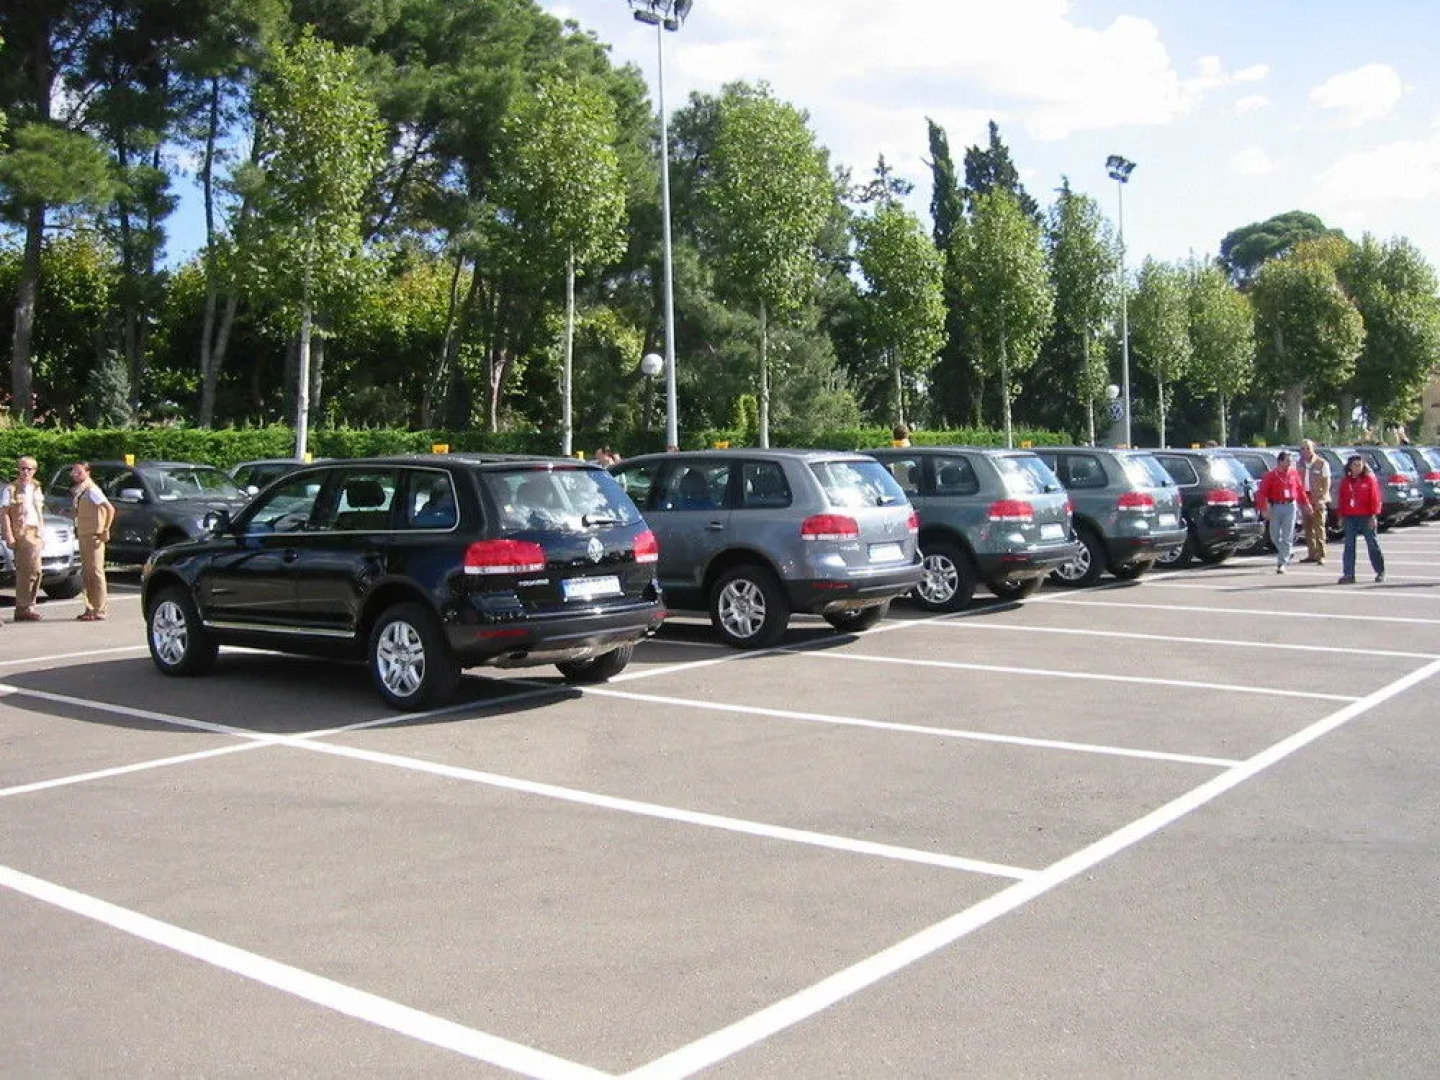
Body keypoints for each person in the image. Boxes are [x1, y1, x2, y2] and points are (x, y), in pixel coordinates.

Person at [1, 455, 48, 621]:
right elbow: (4, 514)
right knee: (26, 570)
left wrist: (42, 532)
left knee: (36, 570)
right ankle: (23, 607)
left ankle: (27, 606)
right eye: (23, 468)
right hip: (22, 532)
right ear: (18, 469)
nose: (26, 472)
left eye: (29, 469)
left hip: (36, 532)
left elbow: (39, 511)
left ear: (35, 471)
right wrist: (9, 535)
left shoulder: (36, 487)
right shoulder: (11, 488)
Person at [70, 461, 115, 621]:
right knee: (88, 573)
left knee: (95, 572)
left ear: (87, 472)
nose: (75, 474)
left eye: (79, 472)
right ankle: (90, 608)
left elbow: (109, 508)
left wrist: (105, 529)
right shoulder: (81, 491)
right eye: (74, 472)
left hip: (93, 536)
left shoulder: (92, 490)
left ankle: (99, 609)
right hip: (84, 534)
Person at [1253, 449, 1309, 574]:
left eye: (1291, 461)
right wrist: (1264, 509)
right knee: (1274, 535)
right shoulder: (1271, 475)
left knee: (1287, 535)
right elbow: (1262, 493)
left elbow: (1300, 490)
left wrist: (1306, 504)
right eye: (1287, 461)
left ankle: (1282, 563)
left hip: (1290, 506)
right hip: (1276, 506)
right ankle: (1287, 551)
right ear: (1280, 462)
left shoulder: (1294, 473)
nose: (1290, 464)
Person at [1336, 454, 1385, 584]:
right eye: (1355, 465)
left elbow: (1375, 498)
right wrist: (1341, 515)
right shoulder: (1345, 481)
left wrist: (1373, 515)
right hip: (1350, 517)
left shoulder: (1369, 480)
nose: (1357, 468)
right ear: (1349, 467)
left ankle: (1380, 571)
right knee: (1349, 545)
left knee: (1372, 544)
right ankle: (1349, 574)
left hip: (1366, 516)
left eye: (1360, 465)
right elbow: (1341, 499)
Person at [1298, 439, 1332, 565]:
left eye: (1308, 448)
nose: (1305, 451)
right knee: (1307, 528)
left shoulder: (1321, 463)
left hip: (1317, 498)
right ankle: (1311, 554)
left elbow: (1327, 481)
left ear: (1313, 449)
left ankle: (1321, 554)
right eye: (1303, 448)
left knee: (1319, 527)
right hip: (1304, 498)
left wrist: (1322, 497)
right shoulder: (1299, 464)